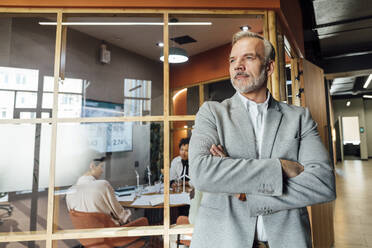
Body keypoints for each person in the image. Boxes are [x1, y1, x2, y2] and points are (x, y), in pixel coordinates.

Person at [189, 31, 336, 248]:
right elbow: (202, 173)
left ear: (269, 67)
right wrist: (280, 168)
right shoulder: (211, 113)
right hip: (220, 240)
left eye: (248, 58)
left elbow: (323, 184)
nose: (238, 65)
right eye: (232, 60)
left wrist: (241, 189)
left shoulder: (299, 118)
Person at [66, 158, 132, 226]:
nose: (102, 171)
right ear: (92, 166)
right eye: (101, 166)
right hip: (109, 233)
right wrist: (128, 214)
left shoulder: (69, 192)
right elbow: (121, 216)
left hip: (86, 234)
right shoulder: (103, 185)